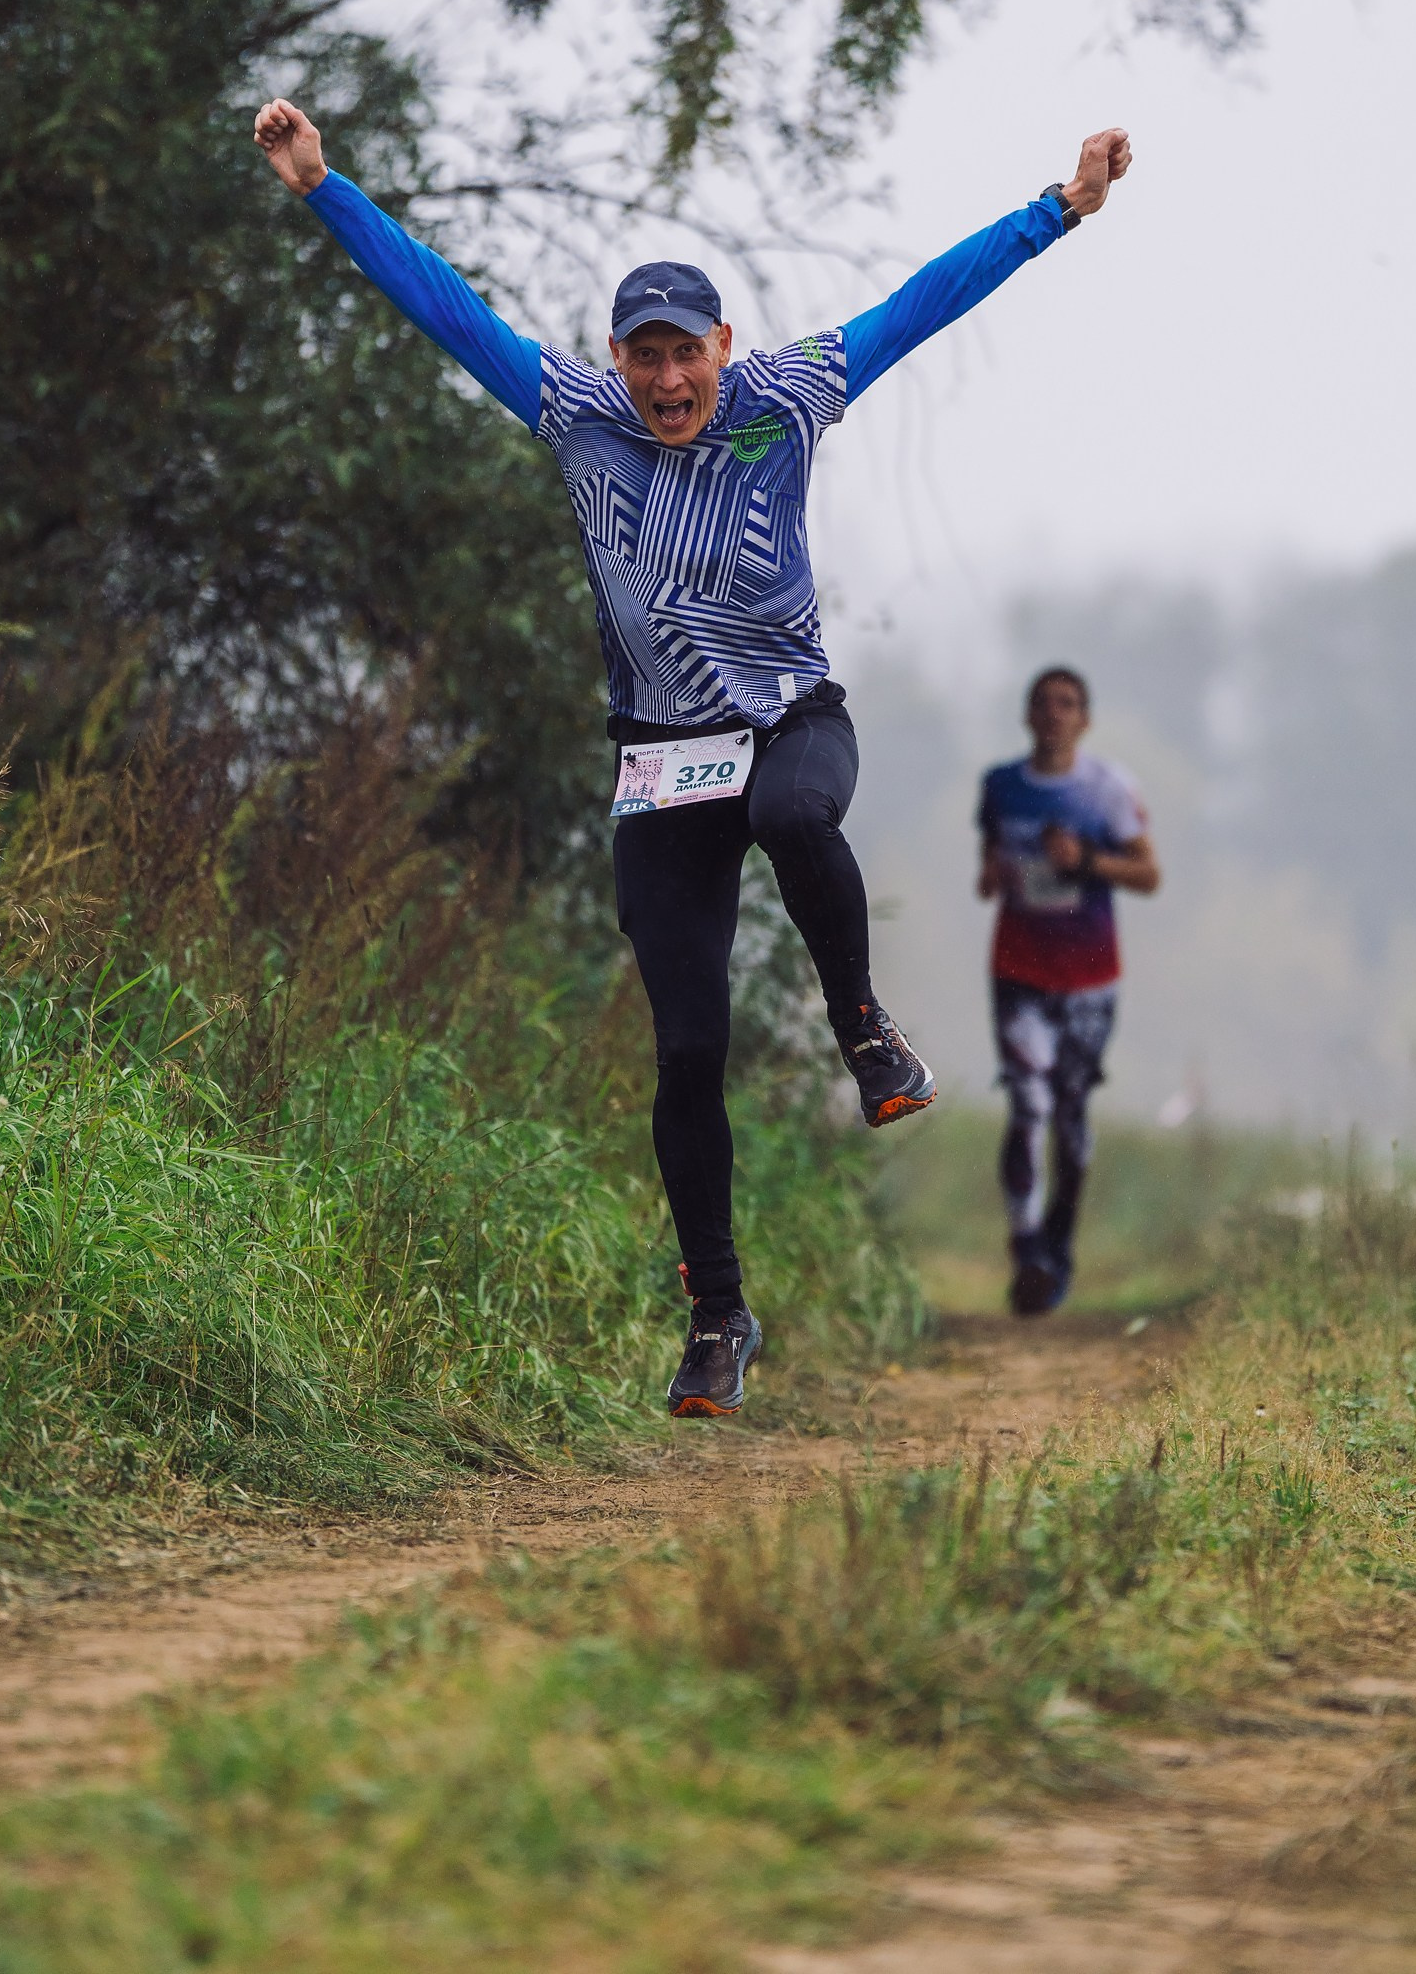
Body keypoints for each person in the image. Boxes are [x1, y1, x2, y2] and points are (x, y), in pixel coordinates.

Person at [254, 94, 1133, 1414]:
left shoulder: (789, 395)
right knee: (685, 1052)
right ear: (617, 357)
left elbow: (922, 302)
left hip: (791, 725)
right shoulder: (573, 412)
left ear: (726, 346)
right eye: (645, 358)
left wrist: (1056, 211)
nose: (668, 383)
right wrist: (324, 188)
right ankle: (718, 1315)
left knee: (793, 814)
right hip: (661, 768)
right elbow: (444, 309)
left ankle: (865, 1031)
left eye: (689, 356)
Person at [976, 667, 1161, 1317]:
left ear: (1085, 719)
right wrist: (998, 872)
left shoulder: (1107, 790)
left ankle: (1058, 1241)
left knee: (1070, 1114)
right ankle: (1027, 1248)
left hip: (1090, 976)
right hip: (1019, 970)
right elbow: (989, 871)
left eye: (1068, 704)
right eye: (1043, 704)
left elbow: (1148, 873)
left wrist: (1085, 862)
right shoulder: (1000, 787)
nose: (1054, 714)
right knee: (1027, 1104)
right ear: (1026, 716)